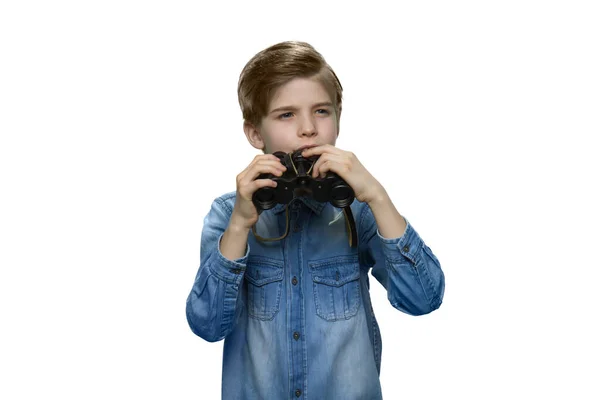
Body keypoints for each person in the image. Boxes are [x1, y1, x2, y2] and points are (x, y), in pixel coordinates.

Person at [186, 40, 445, 400]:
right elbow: (208, 325)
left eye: (321, 111)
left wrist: (377, 197)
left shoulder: (359, 211)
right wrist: (239, 225)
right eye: (286, 115)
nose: (308, 128)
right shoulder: (227, 215)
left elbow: (424, 299)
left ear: (338, 118)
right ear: (255, 133)